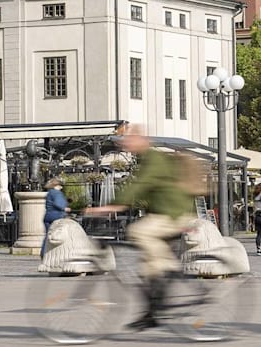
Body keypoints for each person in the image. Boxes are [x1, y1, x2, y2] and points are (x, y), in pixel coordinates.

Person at [90, 129, 199, 331]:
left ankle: (168, 268)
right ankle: (151, 313)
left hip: (173, 213)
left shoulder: (153, 159)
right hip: (166, 212)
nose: (125, 146)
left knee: (139, 233)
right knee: (147, 267)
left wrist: (114, 205)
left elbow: (140, 185)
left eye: (129, 141)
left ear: (140, 140)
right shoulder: (148, 159)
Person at [41, 178, 70, 258]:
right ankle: (59, 254)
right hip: (57, 216)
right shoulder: (57, 193)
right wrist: (65, 208)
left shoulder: (49, 193)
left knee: (48, 236)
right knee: (60, 236)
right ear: (56, 185)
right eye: (60, 185)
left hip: (48, 216)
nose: (61, 187)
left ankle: (44, 253)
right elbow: (58, 203)